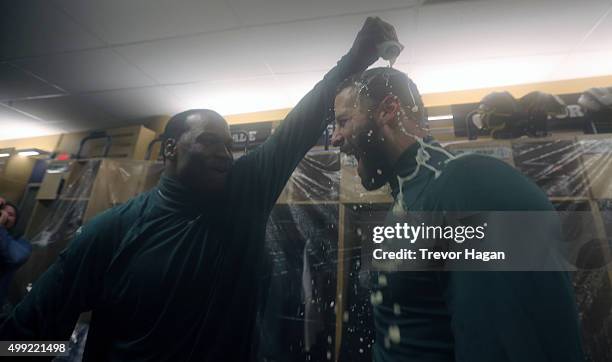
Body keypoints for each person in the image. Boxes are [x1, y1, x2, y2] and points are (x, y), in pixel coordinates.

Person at [0, 18, 399, 361]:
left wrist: (356, 58)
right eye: (209, 141)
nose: (225, 153)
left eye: (229, 144)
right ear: (170, 149)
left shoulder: (242, 195)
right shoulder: (109, 233)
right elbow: (24, 336)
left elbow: (298, 126)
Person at [330, 68, 585, 361]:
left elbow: (515, 348)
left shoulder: (473, 185)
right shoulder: (413, 197)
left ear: (388, 110)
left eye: (343, 121)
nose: (335, 138)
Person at [0, 197, 31, 308]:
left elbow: (14, 257)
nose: (5, 215)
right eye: (2, 211)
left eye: (10, 214)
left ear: (15, 222)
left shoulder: (22, 244)